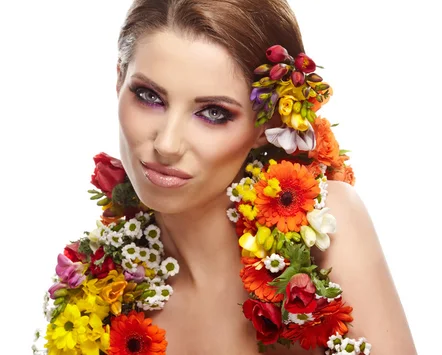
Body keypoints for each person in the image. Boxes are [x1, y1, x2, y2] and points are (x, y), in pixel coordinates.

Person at [36, 1, 417, 354]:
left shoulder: (329, 224)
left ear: (265, 124)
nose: (167, 144)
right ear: (119, 80)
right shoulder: (95, 293)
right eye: (149, 96)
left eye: (214, 113)